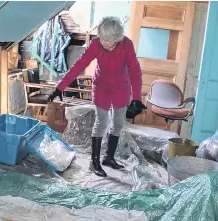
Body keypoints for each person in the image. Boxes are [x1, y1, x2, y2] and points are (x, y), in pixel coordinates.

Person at [47, 16, 146, 177]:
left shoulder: (126, 45)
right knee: (101, 122)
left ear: (117, 38)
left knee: (118, 123)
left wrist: (136, 98)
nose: (103, 42)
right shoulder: (95, 45)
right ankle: (94, 162)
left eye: (107, 40)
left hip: (121, 87)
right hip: (102, 87)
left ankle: (109, 157)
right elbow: (79, 65)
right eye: (101, 38)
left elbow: (134, 70)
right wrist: (60, 87)